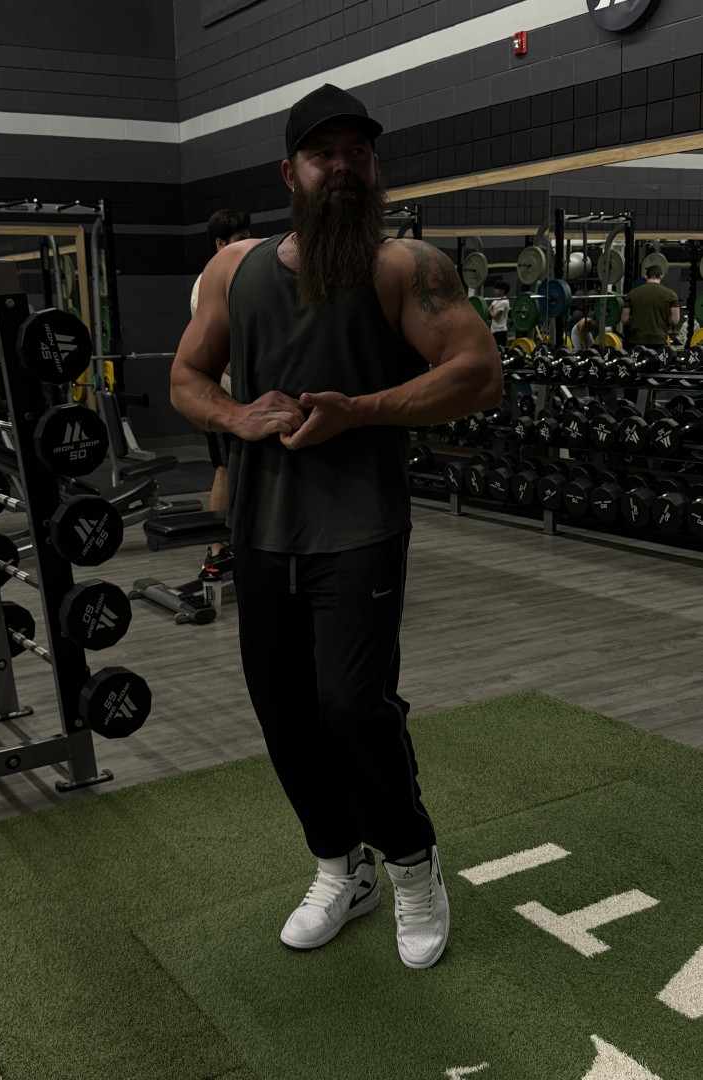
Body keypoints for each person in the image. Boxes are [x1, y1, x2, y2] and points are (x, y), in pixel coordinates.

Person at [170, 83, 502, 970]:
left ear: (375, 167)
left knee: (353, 707)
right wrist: (237, 416)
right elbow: (187, 379)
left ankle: (412, 865)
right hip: (260, 530)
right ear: (292, 174)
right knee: (283, 711)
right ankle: (338, 867)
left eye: (359, 152)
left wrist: (361, 410)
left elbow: (478, 372)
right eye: (325, 155)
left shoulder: (404, 267)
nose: (344, 167)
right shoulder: (233, 269)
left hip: (359, 527)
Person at [190, 209, 252, 558]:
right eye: (240, 240)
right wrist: (252, 382)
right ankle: (216, 549)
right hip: (222, 397)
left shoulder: (244, 276)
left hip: (248, 397)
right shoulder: (207, 284)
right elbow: (218, 352)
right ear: (220, 244)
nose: (248, 246)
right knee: (225, 469)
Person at [621, 265, 680, 345]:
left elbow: (624, 319)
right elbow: (675, 320)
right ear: (661, 276)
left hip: (636, 341)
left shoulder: (632, 293)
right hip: (659, 340)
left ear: (645, 276)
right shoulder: (671, 295)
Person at [488, 280, 510, 351]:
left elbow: (495, 316)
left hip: (500, 331)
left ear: (502, 290)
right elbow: (489, 308)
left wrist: (490, 311)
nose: (495, 290)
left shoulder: (504, 302)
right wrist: (490, 310)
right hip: (493, 330)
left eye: (497, 289)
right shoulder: (496, 300)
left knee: (499, 352)